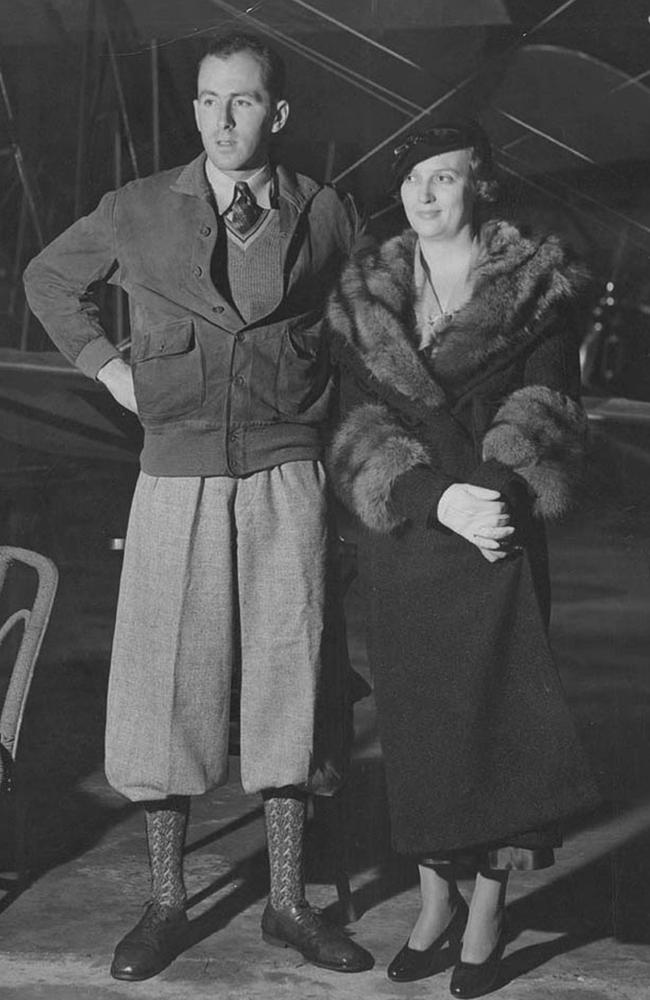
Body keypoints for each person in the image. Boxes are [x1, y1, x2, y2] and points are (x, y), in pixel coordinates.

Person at [24, 32, 373, 981]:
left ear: (279, 113)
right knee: (161, 686)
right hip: (174, 476)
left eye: (245, 102)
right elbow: (49, 280)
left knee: (291, 677)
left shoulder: (327, 212)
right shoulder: (135, 211)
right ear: (195, 111)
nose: (224, 120)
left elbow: (363, 330)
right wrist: (110, 368)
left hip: (287, 472)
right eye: (210, 101)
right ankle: (168, 900)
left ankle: (290, 903)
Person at [326, 122, 600, 998]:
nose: (427, 193)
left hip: (498, 536)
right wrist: (430, 499)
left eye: (445, 178)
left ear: (481, 185)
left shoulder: (541, 287)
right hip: (409, 539)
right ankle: (434, 903)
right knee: (422, 732)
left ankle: (486, 911)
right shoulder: (365, 295)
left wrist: (486, 495)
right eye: (414, 179)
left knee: (497, 730)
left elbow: (547, 402)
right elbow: (353, 424)